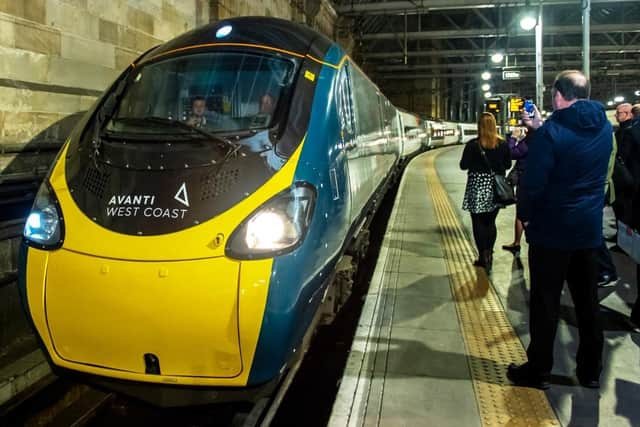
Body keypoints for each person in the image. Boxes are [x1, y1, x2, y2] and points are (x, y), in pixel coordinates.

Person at [507, 70, 612, 390]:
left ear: (557, 95)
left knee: (545, 304)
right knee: (587, 303)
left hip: (552, 233)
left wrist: (525, 215)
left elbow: (534, 183)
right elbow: (576, 156)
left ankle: (538, 370)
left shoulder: (552, 131)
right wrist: (541, 129)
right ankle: (591, 371)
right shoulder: (604, 127)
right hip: (588, 232)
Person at [460, 112, 511, 272]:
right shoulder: (503, 144)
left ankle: (482, 256)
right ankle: (489, 252)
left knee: (478, 223)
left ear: (479, 126)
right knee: (490, 223)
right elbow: (508, 164)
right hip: (495, 188)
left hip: (477, 187)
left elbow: (463, 165)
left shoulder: (473, 145)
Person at [502, 126, 530, 256]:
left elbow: (511, 153)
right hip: (534, 180)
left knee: (522, 212)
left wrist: (513, 138)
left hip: (525, 181)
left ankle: (521, 241)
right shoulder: (540, 140)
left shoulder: (529, 142)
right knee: (522, 212)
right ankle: (517, 242)